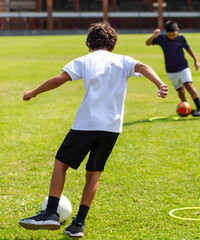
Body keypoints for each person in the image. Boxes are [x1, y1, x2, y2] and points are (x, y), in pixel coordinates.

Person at [18, 21, 168, 238]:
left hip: (86, 125)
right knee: (94, 173)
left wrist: (34, 92)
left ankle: (50, 213)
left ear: (89, 43)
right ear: (113, 45)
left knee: (61, 164)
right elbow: (143, 67)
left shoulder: (85, 60)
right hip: (112, 128)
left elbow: (60, 79)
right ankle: (78, 223)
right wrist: (159, 83)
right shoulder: (123, 61)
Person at [146, 20, 200, 117]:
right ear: (166, 32)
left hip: (183, 67)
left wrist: (196, 60)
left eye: (173, 34)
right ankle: (187, 108)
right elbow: (147, 43)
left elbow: (189, 49)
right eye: (170, 35)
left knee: (188, 85)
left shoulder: (181, 39)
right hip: (171, 70)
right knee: (180, 90)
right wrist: (154, 36)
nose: (172, 36)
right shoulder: (162, 38)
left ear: (177, 30)